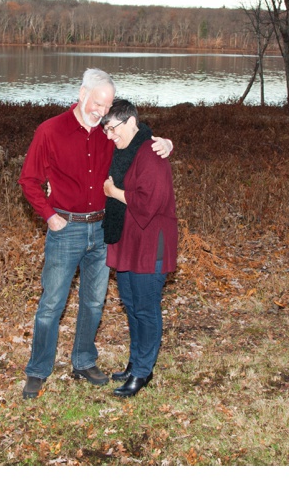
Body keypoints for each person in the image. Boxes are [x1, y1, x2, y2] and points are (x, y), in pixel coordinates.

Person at [18, 69, 173, 399]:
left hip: (103, 229)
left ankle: (84, 361)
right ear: (81, 93)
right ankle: (38, 369)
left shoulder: (108, 133)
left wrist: (163, 141)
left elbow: (134, 135)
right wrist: (49, 215)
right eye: (98, 103)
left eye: (107, 106)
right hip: (66, 228)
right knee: (51, 304)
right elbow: (28, 181)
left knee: (93, 301)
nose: (102, 111)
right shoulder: (50, 131)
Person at [101, 99, 178, 397]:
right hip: (128, 240)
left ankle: (144, 373)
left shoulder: (151, 153)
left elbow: (150, 202)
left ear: (131, 122)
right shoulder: (123, 150)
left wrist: (114, 192)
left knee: (146, 309)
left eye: (113, 129)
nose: (109, 135)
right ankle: (135, 363)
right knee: (131, 306)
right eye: (106, 129)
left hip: (150, 244)